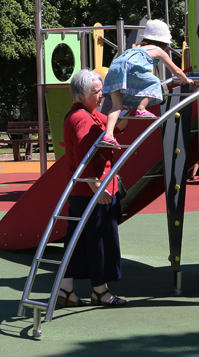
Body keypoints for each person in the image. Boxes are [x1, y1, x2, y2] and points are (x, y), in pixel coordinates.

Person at [58, 69, 127, 307]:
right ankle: (100, 290)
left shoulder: (89, 114)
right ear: (81, 95)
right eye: (97, 92)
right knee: (99, 240)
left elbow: (116, 127)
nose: (101, 96)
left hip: (86, 191)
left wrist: (126, 104)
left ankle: (66, 288)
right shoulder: (81, 118)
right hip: (93, 191)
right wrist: (97, 187)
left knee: (78, 240)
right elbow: (82, 157)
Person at [100, 19, 189, 147]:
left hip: (115, 69)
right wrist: (186, 79)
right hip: (129, 69)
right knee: (155, 82)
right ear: (163, 42)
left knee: (116, 106)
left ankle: (108, 135)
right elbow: (176, 70)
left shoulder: (137, 48)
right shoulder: (158, 51)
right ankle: (141, 109)